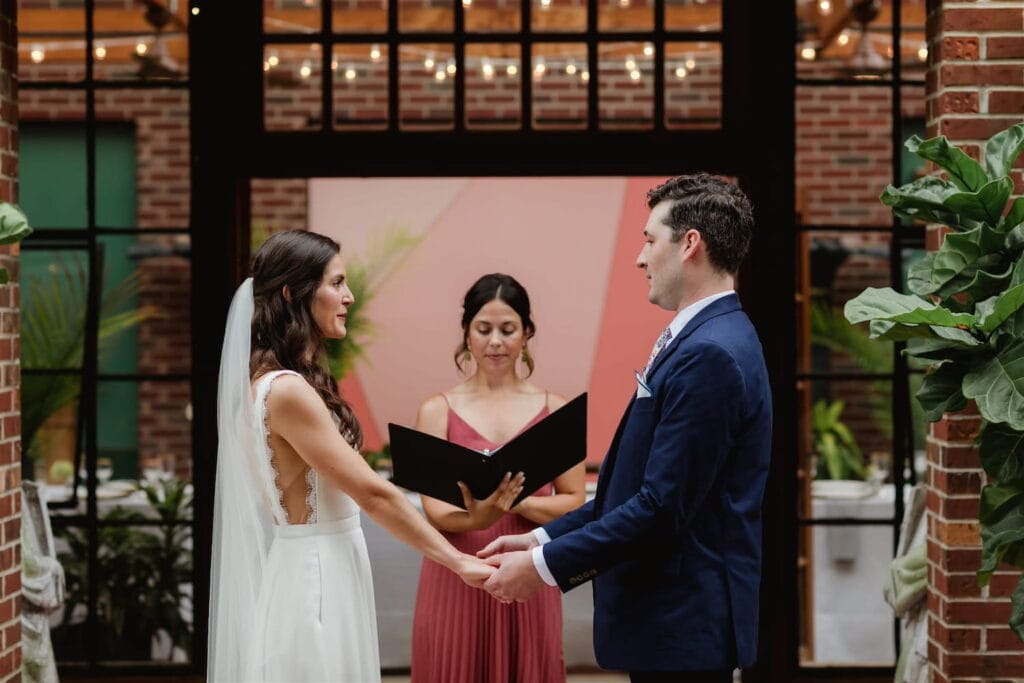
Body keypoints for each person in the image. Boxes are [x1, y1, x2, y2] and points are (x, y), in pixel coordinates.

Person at [479, 174, 773, 683]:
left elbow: (660, 508)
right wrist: (542, 539)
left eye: (648, 240)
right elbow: (635, 488)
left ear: (689, 244)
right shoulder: (708, 337)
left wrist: (545, 567)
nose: (639, 259)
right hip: (670, 625)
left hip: (682, 623)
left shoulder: (711, 354)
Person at [207, 230, 494, 682]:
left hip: (318, 566)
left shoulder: (270, 383)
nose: (349, 296)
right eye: (336, 283)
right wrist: (457, 561)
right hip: (315, 579)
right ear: (292, 293)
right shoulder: (287, 391)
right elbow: (373, 493)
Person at [410, 273, 586, 683]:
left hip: (528, 569)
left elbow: (574, 500)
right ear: (467, 334)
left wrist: (515, 501)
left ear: (526, 333)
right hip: (457, 571)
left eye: (507, 330)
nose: (495, 342)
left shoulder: (556, 410)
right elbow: (436, 512)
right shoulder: (435, 411)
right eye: (483, 329)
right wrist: (483, 515)